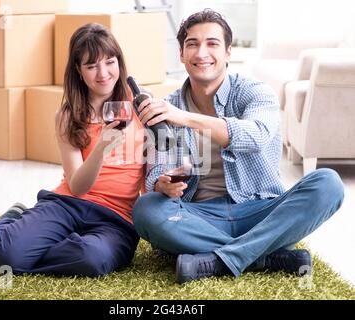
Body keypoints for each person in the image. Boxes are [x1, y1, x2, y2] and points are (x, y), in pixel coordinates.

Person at [132, 9, 345, 284]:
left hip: (259, 209)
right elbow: (157, 169)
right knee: (147, 209)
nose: (201, 52)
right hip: (200, 215)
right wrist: (162, 184)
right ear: (182, 55)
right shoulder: (168, 106)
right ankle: (265, 255)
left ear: (228, 52)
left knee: (328, 184)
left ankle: (217, 258)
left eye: (212, 43)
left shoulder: (255, 92)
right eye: (192, 44)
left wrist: (185, 118)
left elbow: (255, 136)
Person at [0, 23, 145, 277]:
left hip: (116, 219)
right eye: (91, 66)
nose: (103, 73)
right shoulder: (68, 116)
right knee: (9, 254)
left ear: (119, 62)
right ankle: (8, 231)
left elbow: (152, 167)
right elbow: (78, 187)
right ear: (79, 71)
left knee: (92, 259)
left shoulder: (140, 103)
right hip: (68, 204)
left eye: (109, 62)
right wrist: (101, 147)